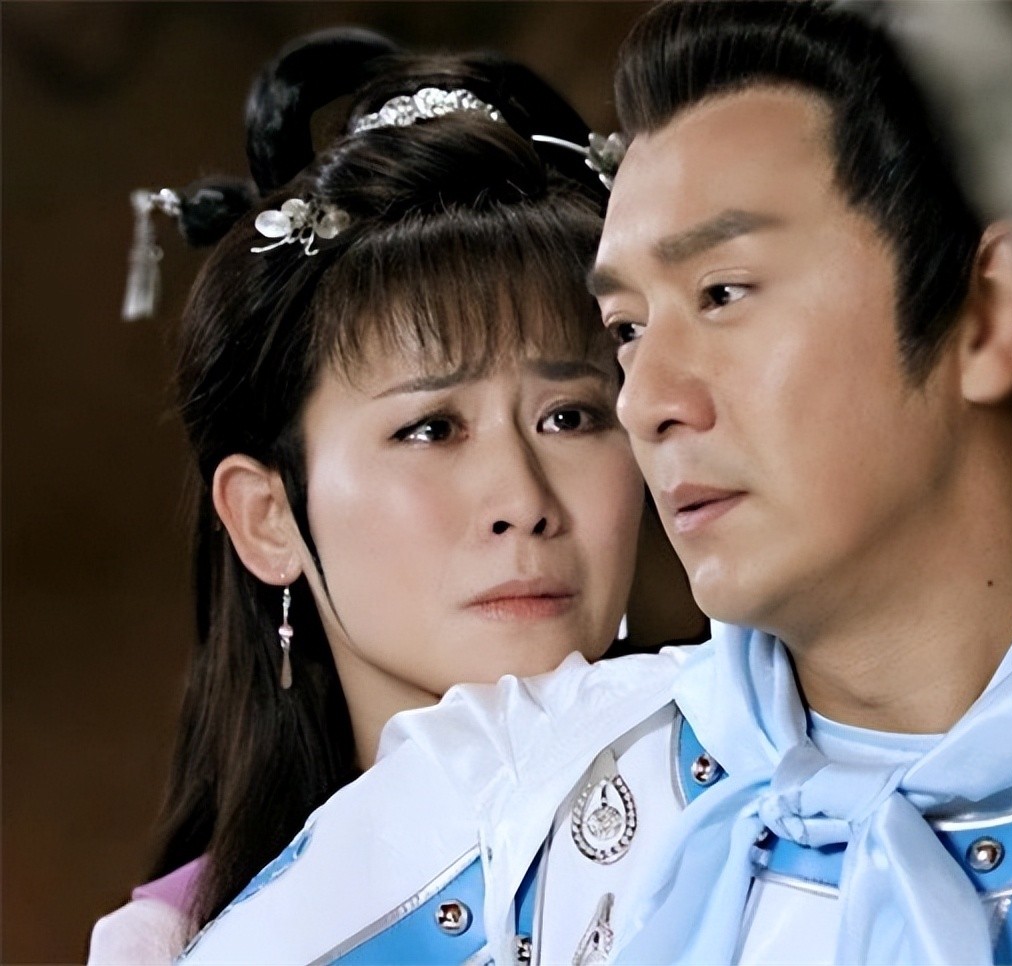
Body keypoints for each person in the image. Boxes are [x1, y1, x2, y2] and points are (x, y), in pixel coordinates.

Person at [179, 4, 1012, 964]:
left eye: (722, 293)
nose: (646, 400)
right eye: (625, 330)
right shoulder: (511, 797)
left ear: (985, 314)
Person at [88, 27, 703, 964]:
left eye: (571, 417)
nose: (522, 499)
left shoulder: (773, 804)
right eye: (431, 429)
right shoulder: (182, 945)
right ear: (268, 517)